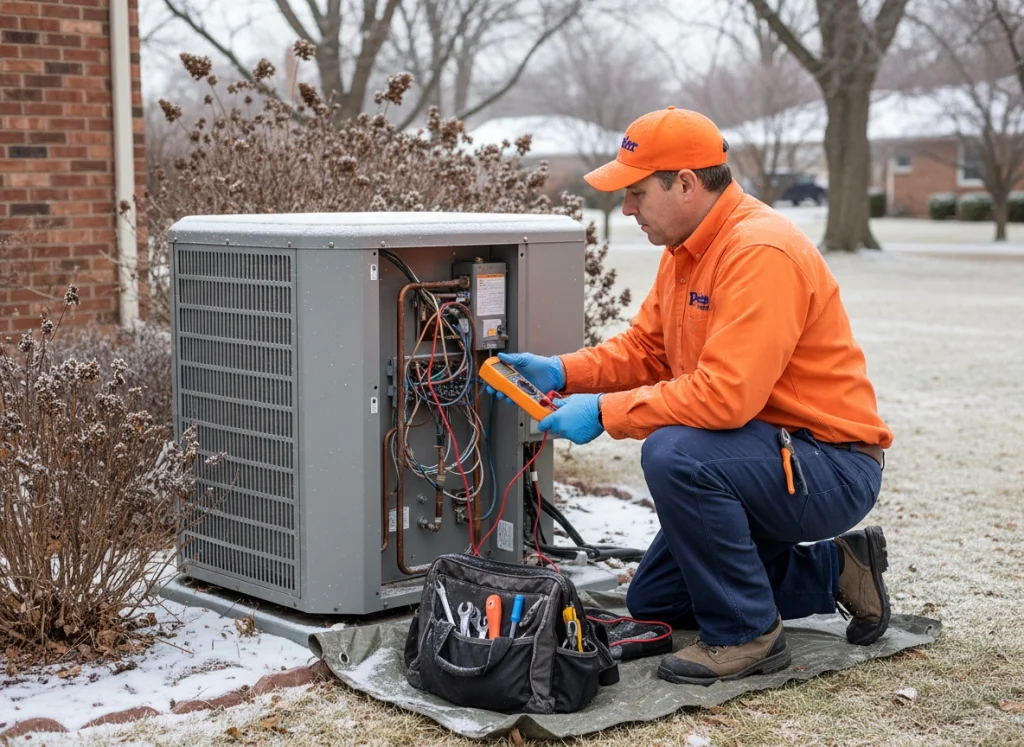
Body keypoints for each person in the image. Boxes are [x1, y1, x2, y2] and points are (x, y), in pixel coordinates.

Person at [491, 107, 894, 686]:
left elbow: (726, 398)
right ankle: (839, 570)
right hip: (763, 455)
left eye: (635, 193)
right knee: (657, 598)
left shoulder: (759, 252)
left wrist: (605, 414)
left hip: (829, 463)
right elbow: (645, 350)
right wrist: (562, 371)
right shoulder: (687, 249)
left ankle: (747, 635)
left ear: (684, 183)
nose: (626, 209)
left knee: (675, 452)